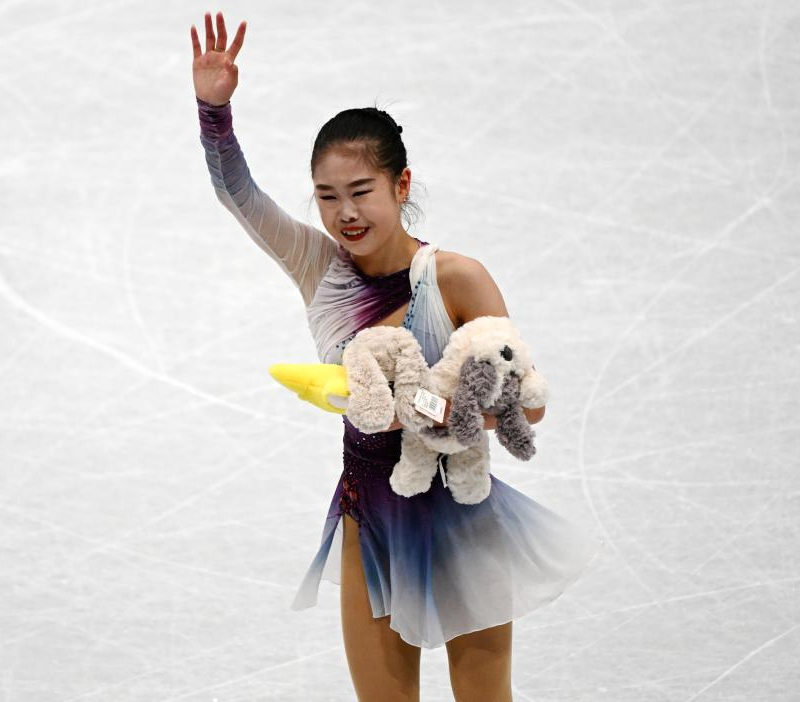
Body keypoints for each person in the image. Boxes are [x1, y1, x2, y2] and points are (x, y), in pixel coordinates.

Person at [190, 11, 604, 702]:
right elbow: (238, 194)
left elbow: (524, 407)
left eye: (361, 193)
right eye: (327, 197)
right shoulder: (318, 266)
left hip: (463, 514)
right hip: (370, 514)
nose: (345, 214)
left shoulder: (456, 279)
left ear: (401, 186)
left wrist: (415, 406)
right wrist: (214, 112)